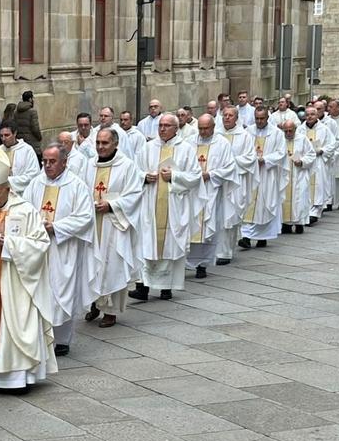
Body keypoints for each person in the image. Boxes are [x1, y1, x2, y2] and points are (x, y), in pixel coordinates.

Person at [0, 146, 56, 393]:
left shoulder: (25, 211)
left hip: (17, 284)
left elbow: (40, 244)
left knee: (16, 327)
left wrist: (10, 244)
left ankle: (19, 378)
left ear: (7, 189)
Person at [23, 143, 95, 356]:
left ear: (64, 162)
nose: (47, 165)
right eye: (44, 161)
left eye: (52, 161)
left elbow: (85, 217)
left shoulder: (77, 186)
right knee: (40, 291)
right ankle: (41, 337)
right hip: (38, 247)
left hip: (64, 249)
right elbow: (24, 210)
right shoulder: (35, 184)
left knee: (62, 291)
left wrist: (56, 227)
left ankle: (62, 339)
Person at [130, 114, 202, 300]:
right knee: (146, 244)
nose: (162, 129)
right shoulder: (148, 147)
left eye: (167, 125)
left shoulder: (185, 149)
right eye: (160, 125)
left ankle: (166, 287)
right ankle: (142, 287)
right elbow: (134, 172)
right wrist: (145, 177)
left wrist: (175, 176)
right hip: (149, 205)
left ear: (176, 128)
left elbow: (195, 177)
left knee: (170, 245)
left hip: (174, 206)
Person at [84, 124, 144, 328]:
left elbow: (135, 194)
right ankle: (94, 302)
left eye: (105, 143)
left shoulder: (127, 165)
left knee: (112, 267)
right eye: (98, 143)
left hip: (114, 224)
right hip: (92, 223)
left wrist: (111, 205)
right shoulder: (89, 165)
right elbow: (82, 190)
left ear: (115, 144)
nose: (100, 147)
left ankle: (110, 311)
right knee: (91, 264)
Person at [187, 114, 238, 279]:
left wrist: (211, 175)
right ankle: (185, 262)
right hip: (192, 192)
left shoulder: (222, 144)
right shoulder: (189, 142)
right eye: (200, 128)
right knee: (189, 225)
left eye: (206, 128)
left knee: (208, 226)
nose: (202, 132)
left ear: (213, 127)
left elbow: (230, 168)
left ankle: (202, 264)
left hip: (211, 191)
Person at [239, 107, 287, 249]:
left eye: (262, 118)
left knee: (266, 204)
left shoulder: (277, 133)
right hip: (251, 174)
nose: (259, 121)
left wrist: (265, 159)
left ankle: (263, 236)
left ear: (267, 118)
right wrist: (251, 160)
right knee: (247, 202)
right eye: (257, 118)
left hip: (267, 174)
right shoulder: (248, 132)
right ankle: (246, 236)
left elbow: (281, 153)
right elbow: (242, 150)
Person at [215, 107, 256, 266]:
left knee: (230, 215)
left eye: (230, 115)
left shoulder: (244, 136)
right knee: (218, 216)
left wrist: (230, 162)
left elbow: (249, 158)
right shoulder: (216, 135)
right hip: (218, 181)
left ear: (236, 118)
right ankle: (217, 250)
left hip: (235, 182)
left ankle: (226, 251)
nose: (227, 118)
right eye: (224, 115)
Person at [278, 119, 318, 235]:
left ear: (295, 129)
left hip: (299, 174)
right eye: (286, 131)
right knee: (284, 198)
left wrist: (302, 162)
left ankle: (299, 223)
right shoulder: (280, 139)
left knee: (300, 199)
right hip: (284, 175)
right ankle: (286, 224)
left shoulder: (302, 139)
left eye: (291, 131)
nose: (288, 133)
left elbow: (311, 154)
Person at [301, 106, 336, 224]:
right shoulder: (300, 130)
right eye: (307, 114)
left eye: (312, 114)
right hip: (305, 163)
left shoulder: (324, 129)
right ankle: (305, 211)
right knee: (305, 186)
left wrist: (323, 150)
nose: (309, 117)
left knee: (318, 186)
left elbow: (332, 144)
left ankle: (315, 212)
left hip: (318, 162)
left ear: (317, 115)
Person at [0, 121, 41, 195]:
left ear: (15, 133)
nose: (3, 139)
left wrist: (9, 181)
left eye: (7, 135)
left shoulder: (27, 150)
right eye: (1, 136)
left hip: (22, 194)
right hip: (2, 195)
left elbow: (33, 174)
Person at [14, 90, 42, 156]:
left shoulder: (16, 112)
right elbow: (35, 128)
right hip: (32, 142)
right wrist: (39, 137)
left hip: (21, 142)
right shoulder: (32, 112)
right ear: (30, 99)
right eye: (32, 98)